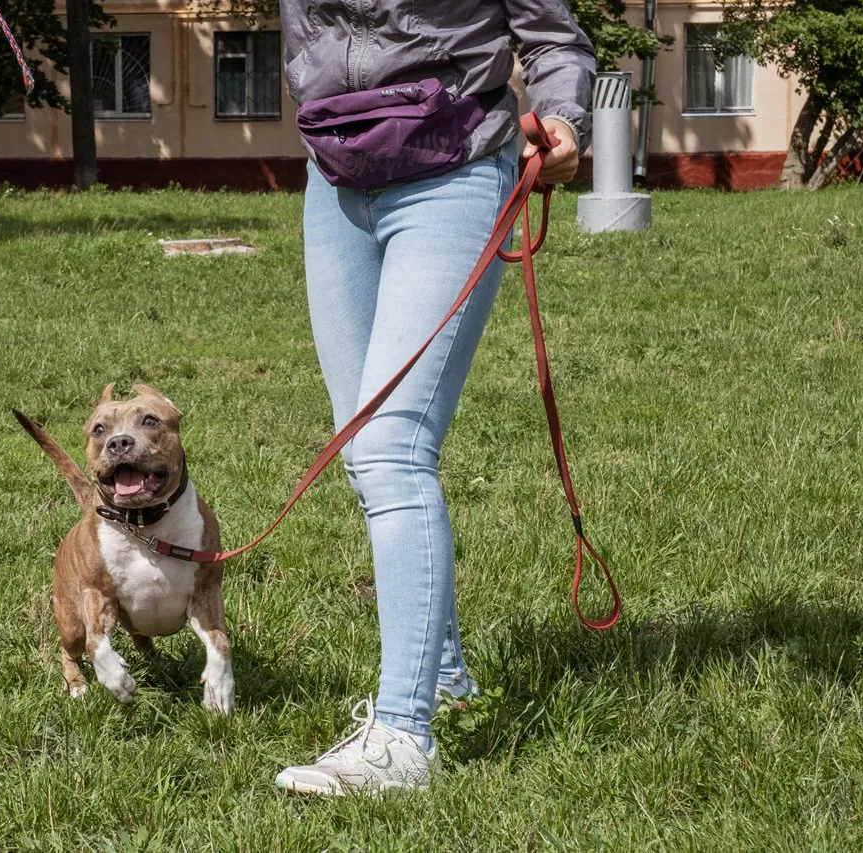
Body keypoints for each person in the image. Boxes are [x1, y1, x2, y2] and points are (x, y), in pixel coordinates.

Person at [273, 1, 596, 796]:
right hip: (336, 173)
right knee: (363, 449)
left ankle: (404, 737)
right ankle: (446, 682)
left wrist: (560, 116)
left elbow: (553, 33)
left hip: (452, 167)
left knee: (391, 449)